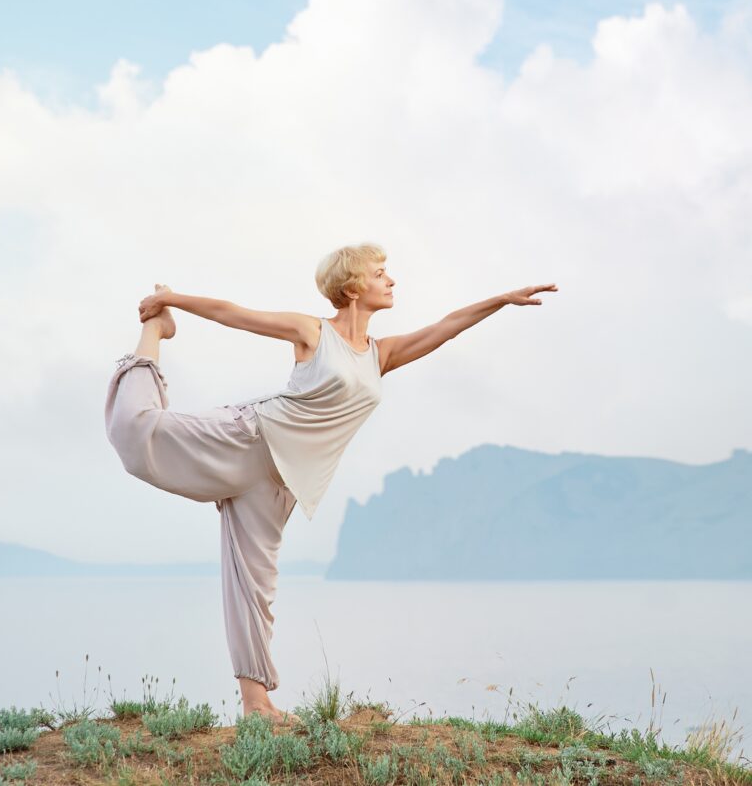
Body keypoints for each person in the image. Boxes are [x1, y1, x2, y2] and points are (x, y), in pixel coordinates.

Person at [103, 242, 557, 722]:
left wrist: (500, 300)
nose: (392, 280)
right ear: (354, 286)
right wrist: (170, 303)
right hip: (251, 438)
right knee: (136, 432)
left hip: (280, 482)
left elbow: (444, 328)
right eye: (382, 273)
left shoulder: (382, 354)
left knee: (253, 587)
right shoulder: (312, 333)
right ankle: (154, 334)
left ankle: (257, 706)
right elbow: (235, 314)